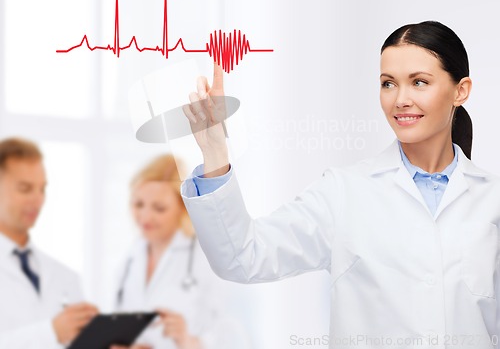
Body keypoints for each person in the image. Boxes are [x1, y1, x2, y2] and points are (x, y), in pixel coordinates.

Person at [179, 21, 500, 348]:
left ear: (461, 91)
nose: (400, 99)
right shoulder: (344, 192)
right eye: (388, 84)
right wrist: (215, 152)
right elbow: (242, 257)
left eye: (419, 82)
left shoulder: (492, 200)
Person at [111, 155, 250, 349]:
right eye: (138, 204)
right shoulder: (130, 258)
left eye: (159, 208)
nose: (145, 216)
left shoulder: (207, 257)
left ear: (182, 208)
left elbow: (230, 335)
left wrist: (186, 340)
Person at [0, 137, 99, 349]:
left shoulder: (65, 276)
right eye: (25, 188)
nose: (37, 199)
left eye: (41, 189)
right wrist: (51, 332)